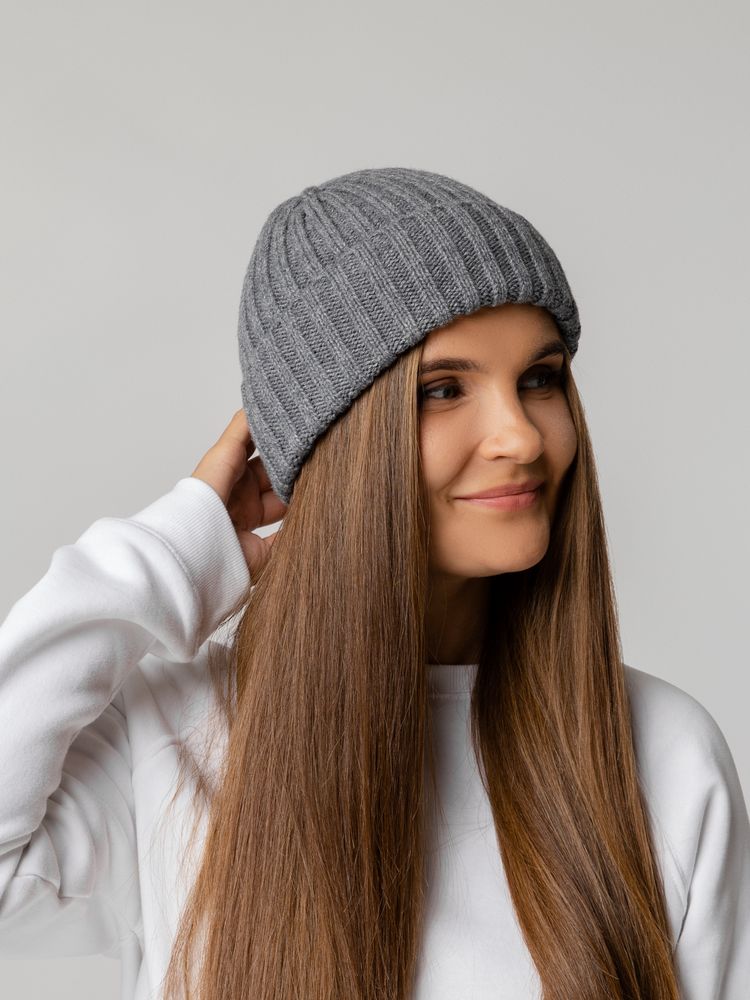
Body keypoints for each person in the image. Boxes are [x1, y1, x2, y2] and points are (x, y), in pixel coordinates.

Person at [0, 166, 748, 1000]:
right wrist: (175, 554)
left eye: (539, 378)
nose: (521, 437)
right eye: (443, 390)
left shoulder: (663, 754)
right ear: (342, 443)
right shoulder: (174, 743)